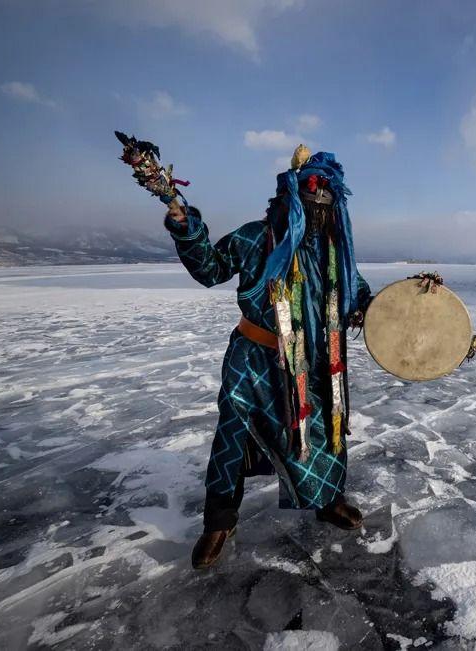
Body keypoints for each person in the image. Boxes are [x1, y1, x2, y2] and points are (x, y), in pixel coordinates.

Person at [164, 145, 373, 570]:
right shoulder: (255, 237)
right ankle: (219, 521)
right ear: (289, 198)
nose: (317, 210)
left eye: (325, 204)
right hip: (252, 356)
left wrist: (409, 300)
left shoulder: (335, 251)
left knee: (320, 430)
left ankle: (326, 499)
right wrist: (186, 227)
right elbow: (210, 268)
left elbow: (359, 297)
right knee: (232, 434)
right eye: (310, 201)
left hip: (310, 361)